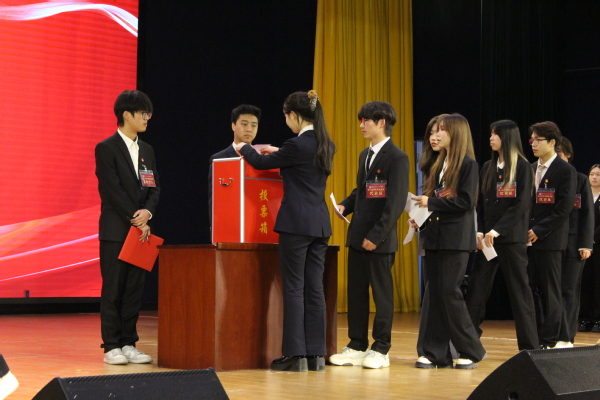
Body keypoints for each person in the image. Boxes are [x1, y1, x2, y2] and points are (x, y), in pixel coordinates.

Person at [234, 91, 335, 372]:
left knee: (293, 288)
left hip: (296, 224)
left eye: (286, 116)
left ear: (293, 116)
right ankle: (316, 355)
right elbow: (300, 162)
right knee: (315, 289)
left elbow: (260, 163)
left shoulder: (296, 144)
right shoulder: (326, 144)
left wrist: (244, 147)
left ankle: (294, 355)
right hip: (320, 223)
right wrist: (279, 150)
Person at [330, 101, 409, 369]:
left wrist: (376, 236)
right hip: (357, 236)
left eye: (366, 120)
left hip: (379, 241)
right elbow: (361, 191)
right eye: (360, 120)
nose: (361, 125)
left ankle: (381, 349)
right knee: (356, 293)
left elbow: (395, 203)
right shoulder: (365, 155)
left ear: (381, 123)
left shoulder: (397, 157)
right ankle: (357, 345)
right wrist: (345, 205)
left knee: (382, 296)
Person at [411, 113, 486, 369]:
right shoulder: (438, 165)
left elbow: (466, 202)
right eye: (432, 132)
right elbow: (436, 204)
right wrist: (419, 218)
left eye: (440, 131)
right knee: (434, 295)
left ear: (456, 133)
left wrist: (430, 202)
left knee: (449, 293)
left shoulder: (468, 164)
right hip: (434, 237)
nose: (434, 136)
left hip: (456, 239)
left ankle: (471, 350)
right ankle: (435, 353)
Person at [95, 90, 160, 365]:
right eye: (142, 113)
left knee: (135, 288)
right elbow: (112, 190)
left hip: (141, 231)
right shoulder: (106, 148)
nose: (147, 118)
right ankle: (111, 346)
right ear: (126, 115)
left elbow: (154, 187)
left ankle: (129, 343)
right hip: (116, 231)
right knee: (114, 289)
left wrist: (148, 213)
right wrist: (136, 218)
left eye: (148, 113)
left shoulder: (147, 150)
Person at [465, 120, 538, 351]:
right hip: (486, 240)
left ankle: (529, 346)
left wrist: (497, 230)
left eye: (495, 134)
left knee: (519, 292)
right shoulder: (488, 166)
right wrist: (479, 230)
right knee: (476, 289)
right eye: (490, 134)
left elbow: (521, 204)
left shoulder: (523, 167)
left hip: (510, 239)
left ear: (507, 137)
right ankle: (467, 341)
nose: (491, 138)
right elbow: (480, 203)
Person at [527, 121, 577, 349]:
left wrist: (539, 230)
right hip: (527, 239)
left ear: (552, 142)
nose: (533, 144)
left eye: (538, 140)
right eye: (532, 140)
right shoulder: (529, 168)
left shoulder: (565, 170)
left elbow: (563, 208)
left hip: (550, 239)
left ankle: (551, 338)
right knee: (530, 289)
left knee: (550, 291)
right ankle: (536, 336)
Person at [554, 137, 594, 347]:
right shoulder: (544, 177)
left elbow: (587, 213)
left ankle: (566, 336)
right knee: (549, 290)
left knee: (569, 289)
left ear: (568, 155)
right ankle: (550, 334)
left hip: (573, 243)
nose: (556, 155)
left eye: (560, 152)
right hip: (549, 241)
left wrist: (586, 243)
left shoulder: (580, 179)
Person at [208, 104, 261, 225]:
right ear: (233, 126)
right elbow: (214, 199)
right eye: (244, 124)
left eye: (254, 125)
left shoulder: (263, 158)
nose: (249, 129)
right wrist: (215, 229)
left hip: (257, 221)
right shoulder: (219, 159)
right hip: (230, 221)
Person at [580, 164, 600, 332]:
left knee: (598, 282)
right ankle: (585, 318)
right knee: (585, 281)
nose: (594, 177)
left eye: (598, 175)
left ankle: (598, 318)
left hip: (598, 244)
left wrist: (592, 237)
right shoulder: (584, 194)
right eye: (592, 174)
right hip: (584, 246)